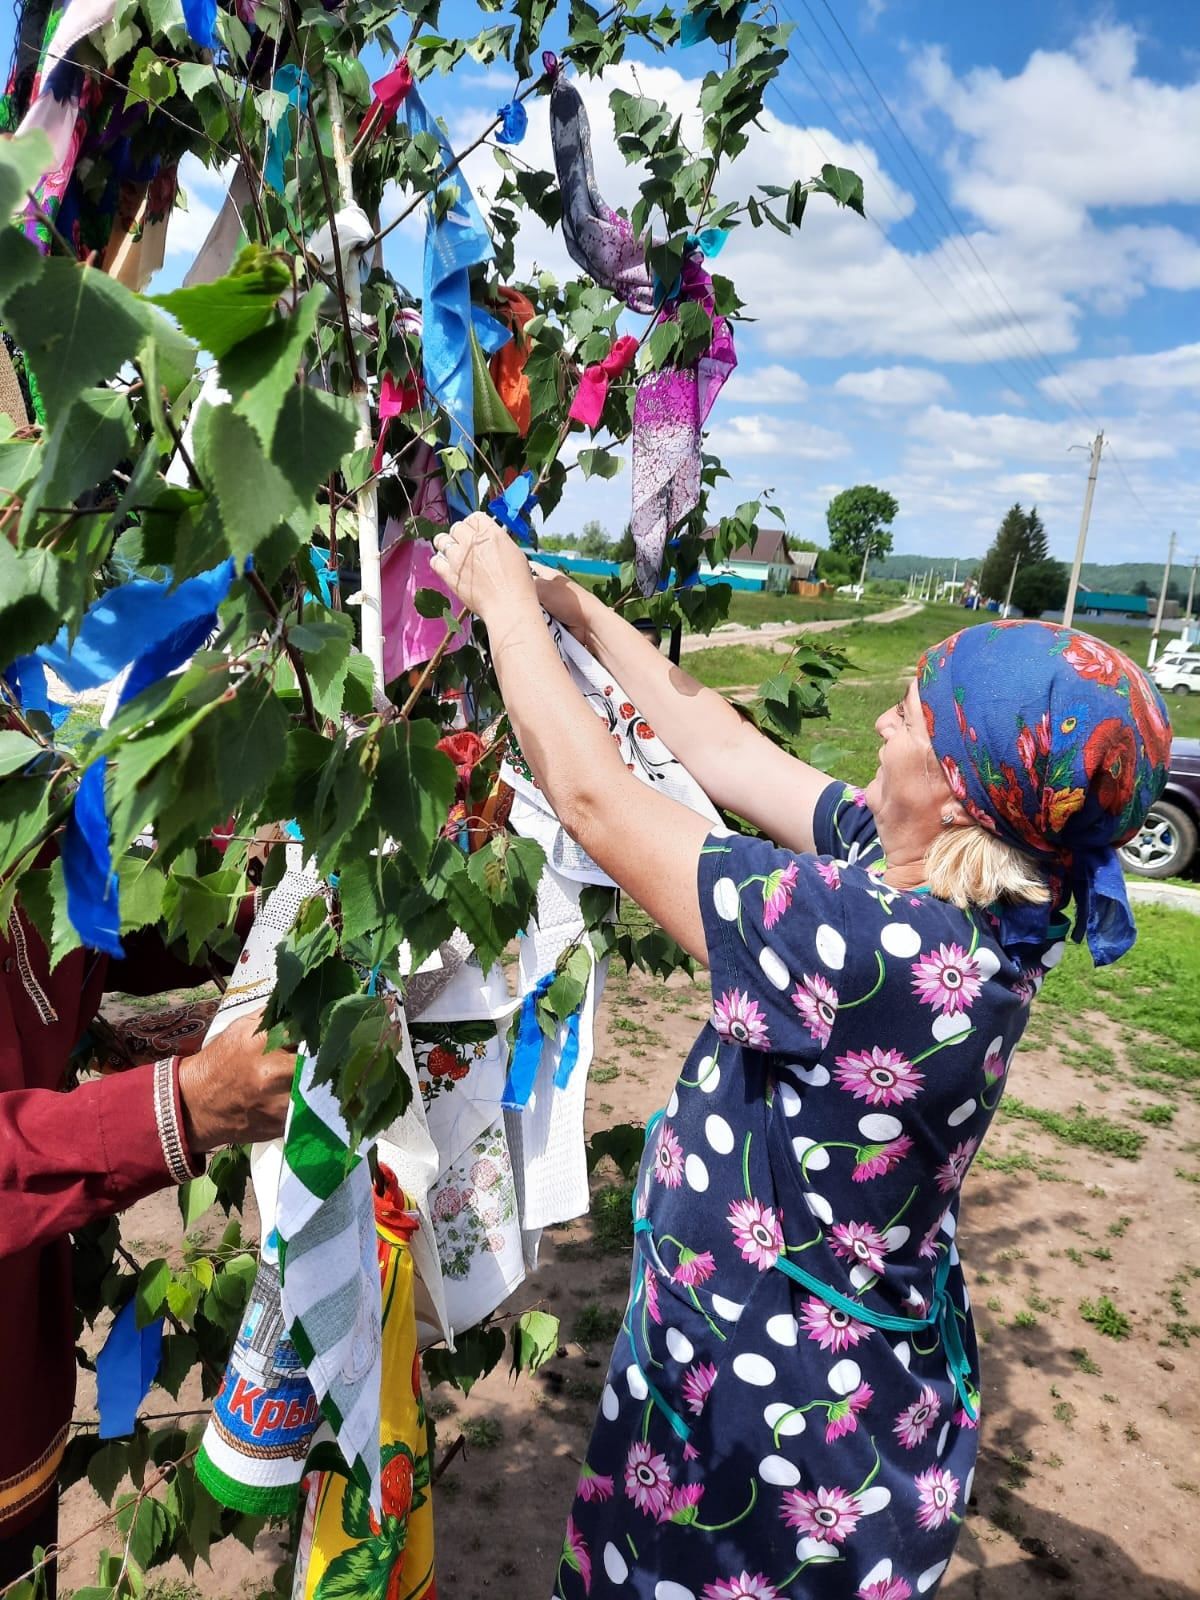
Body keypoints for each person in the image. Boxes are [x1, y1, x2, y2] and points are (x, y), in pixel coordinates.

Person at [430, 513, 1171, 1600]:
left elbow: (595, 800)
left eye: (910, 712)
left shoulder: (875, 941)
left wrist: (498, 604)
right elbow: (725, 750)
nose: (881, 717)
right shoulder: (969, 892)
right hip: (813, 1387)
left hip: (770, 1433)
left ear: (963, 788)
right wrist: (570, 603)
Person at [0, 906, 297, 1599]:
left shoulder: (29, 807)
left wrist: (251, 915)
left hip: (19, 1387)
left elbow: (71, 929)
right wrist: (175, 1110)